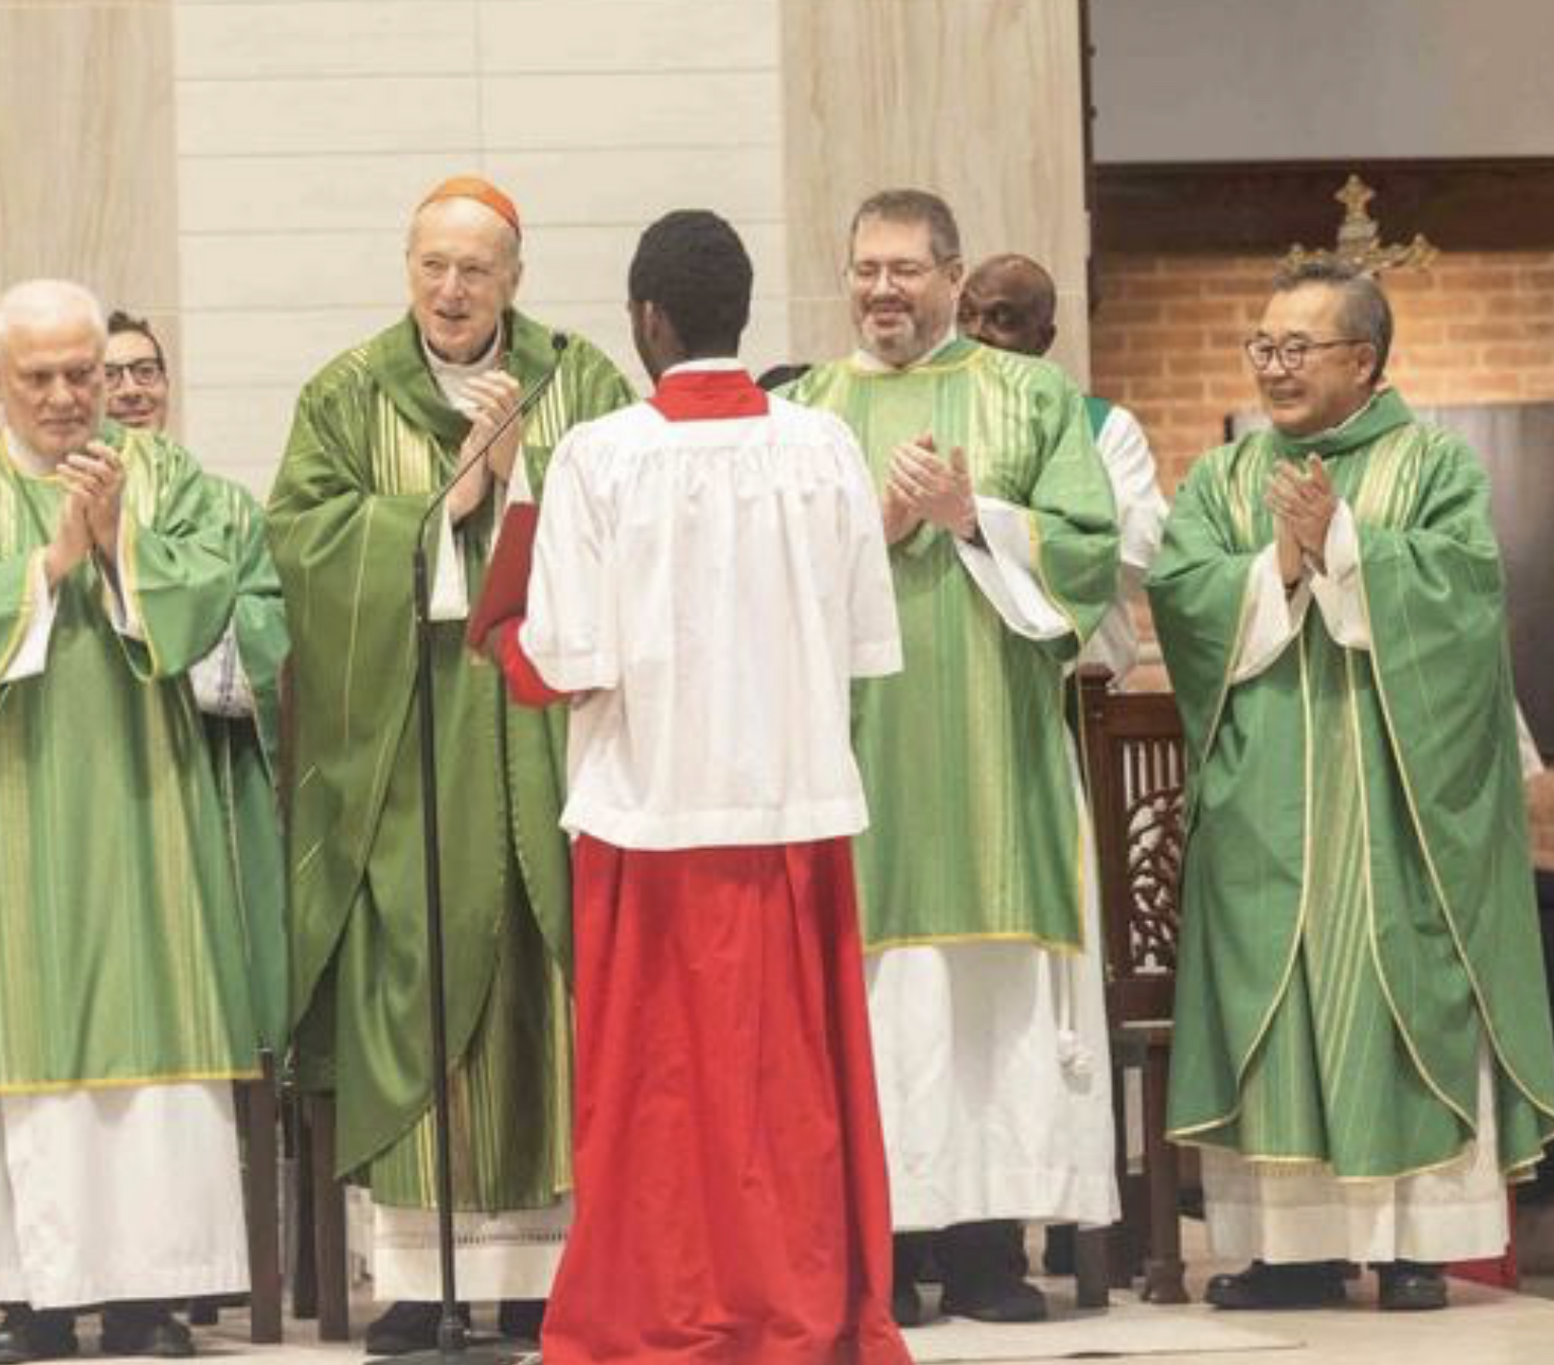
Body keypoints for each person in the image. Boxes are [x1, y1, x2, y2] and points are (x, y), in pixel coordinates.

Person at [481, 208, 910, 1364]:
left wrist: (504, 633)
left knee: (657, 1098)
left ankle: (660, 1309)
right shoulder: (822, 446)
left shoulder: (599, 455)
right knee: (790, 1090)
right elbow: (867, 639)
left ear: (645, 319)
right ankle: (803, 1305)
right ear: (740, 312)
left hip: (647, 817)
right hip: (793, 813)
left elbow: (569, 660)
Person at [266, 175, 634, 1350]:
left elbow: (632, 530)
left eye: (476, 269)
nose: (452, 289)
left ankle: (544, 1279)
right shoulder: (345, 391)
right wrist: (446, 502)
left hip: (546, 741)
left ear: (515, 280)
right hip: (405, 745)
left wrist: (529, 480)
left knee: (539, 979)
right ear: (408, 269)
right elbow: (304, 545)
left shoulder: (580, 383)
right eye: (433, 265)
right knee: (412, 977)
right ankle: (420, 1288)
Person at [1147, 257, 1554, 1312]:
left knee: (1401, 989)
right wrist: (1273, 567)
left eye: (1297, 347)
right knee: (1275, 1011)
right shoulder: (1227, 477)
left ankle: (1416, 1242)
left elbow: (1466, 602)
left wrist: (1345, 544)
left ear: (1362, 359)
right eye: (1263, 347)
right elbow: (1183, 597)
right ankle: (1293, 1250)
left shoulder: (1431, 466)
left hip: (1397, 803)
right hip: (1264, 807)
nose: (1273, 368)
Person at [783, 190, 1122, 1325]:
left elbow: (1089, 550)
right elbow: (769, 584)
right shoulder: (809, 411)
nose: (883, 291)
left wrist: (976, 515)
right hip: (860, 761)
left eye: (905, 271)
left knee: (983, 1009)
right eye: (865, 269)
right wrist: (870, 532)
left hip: (994, 756)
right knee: (883, 1009)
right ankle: (884, 1253)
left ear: (949, 273)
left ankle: (988, 1249)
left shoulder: (1028, 396)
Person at [0, 281, 259, 1362]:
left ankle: (151, 1296)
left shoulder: (167, 478)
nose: (66, 396)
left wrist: (129, 542)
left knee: (152, 1045)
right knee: (11, 1032)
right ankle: (22, 1301)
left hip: (146, 817)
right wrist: (54, 563)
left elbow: (224, 600)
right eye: (37, 377)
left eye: (82, 373)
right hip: (2, 823)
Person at [104, 311, 290, 1066]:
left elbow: (268, 620)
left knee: (222, 955)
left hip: (209, 769)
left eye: (145, 371)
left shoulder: (227, 509)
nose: (130, 390)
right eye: (110, 375)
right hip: (106, 764)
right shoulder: (51, 507)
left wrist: (164, 626)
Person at [960, 253, 1166, 687]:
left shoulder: (1104, 429)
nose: (977, 334)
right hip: (963, 670)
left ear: (1044, 338)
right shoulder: (937, 419)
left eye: (1001, 319)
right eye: (966, 317)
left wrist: (994, 526)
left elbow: (1134, 552)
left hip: (1075, 684)